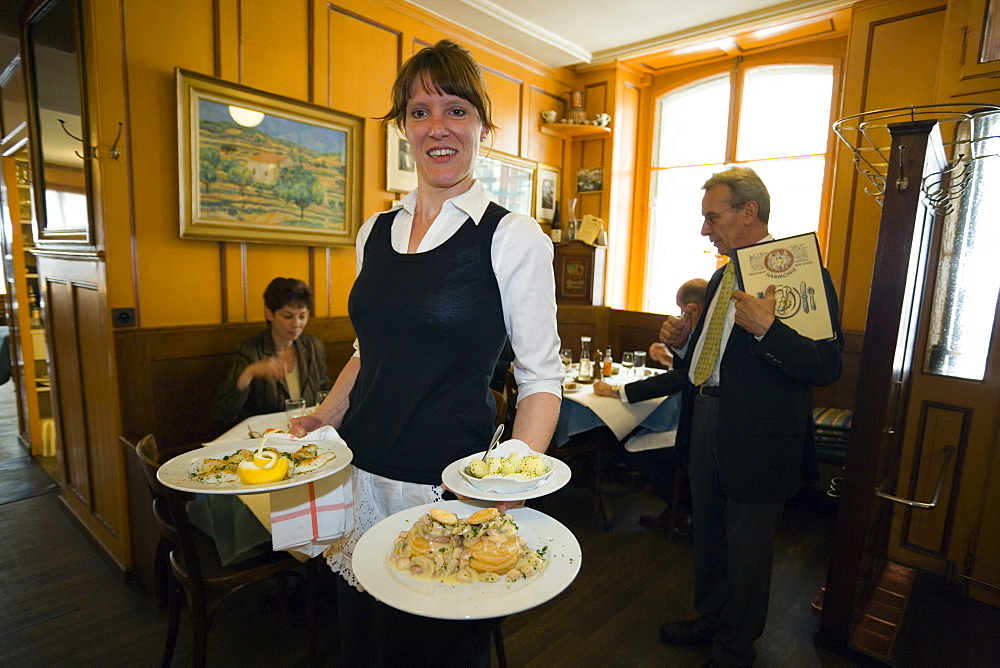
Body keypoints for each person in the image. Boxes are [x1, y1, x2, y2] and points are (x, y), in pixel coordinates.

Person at [288, 40, 562, 666]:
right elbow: (368, 349)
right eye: (419, 111)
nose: (437, 126)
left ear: (482, 128)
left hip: (444, 491)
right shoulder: (373, 231)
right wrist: (326, 414)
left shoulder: (513, 236)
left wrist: (508, 481)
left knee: (437, 653)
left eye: (456, 109)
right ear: (403, 128)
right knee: (362, 646)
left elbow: (541, 376)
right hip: (356, 474)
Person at [656, 166, 843, 667]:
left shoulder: (802, 275)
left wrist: (770, 330)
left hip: (759, 437)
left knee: (748, 551)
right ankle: (712, 620)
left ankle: (736, 649)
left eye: (712, 217)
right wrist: (680, 348)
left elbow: (827, 364)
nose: (704, 229)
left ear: (749, 213)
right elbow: (710, 358)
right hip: (706, 420)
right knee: (711, 538)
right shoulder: (721, 275)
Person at [593, 278, 707, 532]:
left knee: (629, 445)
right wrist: (671, 354)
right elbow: (690, 370)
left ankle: (682, 509)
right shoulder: (710, 330)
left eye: (681, 311)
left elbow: (680, 379)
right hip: (702, 423)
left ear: (692, 308)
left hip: (695, 428)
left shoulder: (706, 332)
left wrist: (616, 390)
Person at [210, 277, 329, 427]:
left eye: (302, 316)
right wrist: (249, 373)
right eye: (288, 316)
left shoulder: (313, 346)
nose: (297, 324)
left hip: (306, 431)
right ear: (269, 314)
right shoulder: (250, 351)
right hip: (267, 437)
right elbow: (222, 413)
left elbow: (323, 397)